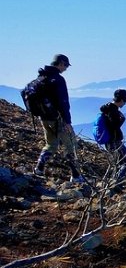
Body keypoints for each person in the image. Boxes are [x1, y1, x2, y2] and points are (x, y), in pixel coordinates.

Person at [32, 54, 84, 183]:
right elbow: (63, 102)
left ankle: (39, 168)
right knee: (70, 145)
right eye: (65, 65)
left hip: (44, 118)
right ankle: (76, 175)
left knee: (51, 144)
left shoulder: (41, 77)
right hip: (58, 119)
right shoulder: (58, 80)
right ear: (60, 63)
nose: (66, 68)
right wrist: (67, 121)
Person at [98, 88, 126, 184]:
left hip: (110, 141)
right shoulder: (112, 110)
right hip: (113, 141)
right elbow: (114, 126)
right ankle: (116, 182)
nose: (125, 103)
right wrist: (121, 119)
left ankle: (114, 182)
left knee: (118, 163)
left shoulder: (108, 108)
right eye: (125, 100)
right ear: (121, 100)